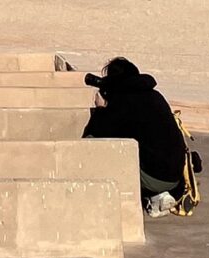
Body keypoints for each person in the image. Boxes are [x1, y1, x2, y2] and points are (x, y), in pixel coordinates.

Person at [82, 57, 193, 217]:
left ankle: (151, 194)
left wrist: (101, 109)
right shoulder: (155, 96)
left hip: (155, 178)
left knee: (101, 151)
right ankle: (157, 197)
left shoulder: (123, 101)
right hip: (175, 178)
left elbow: (96, 135)